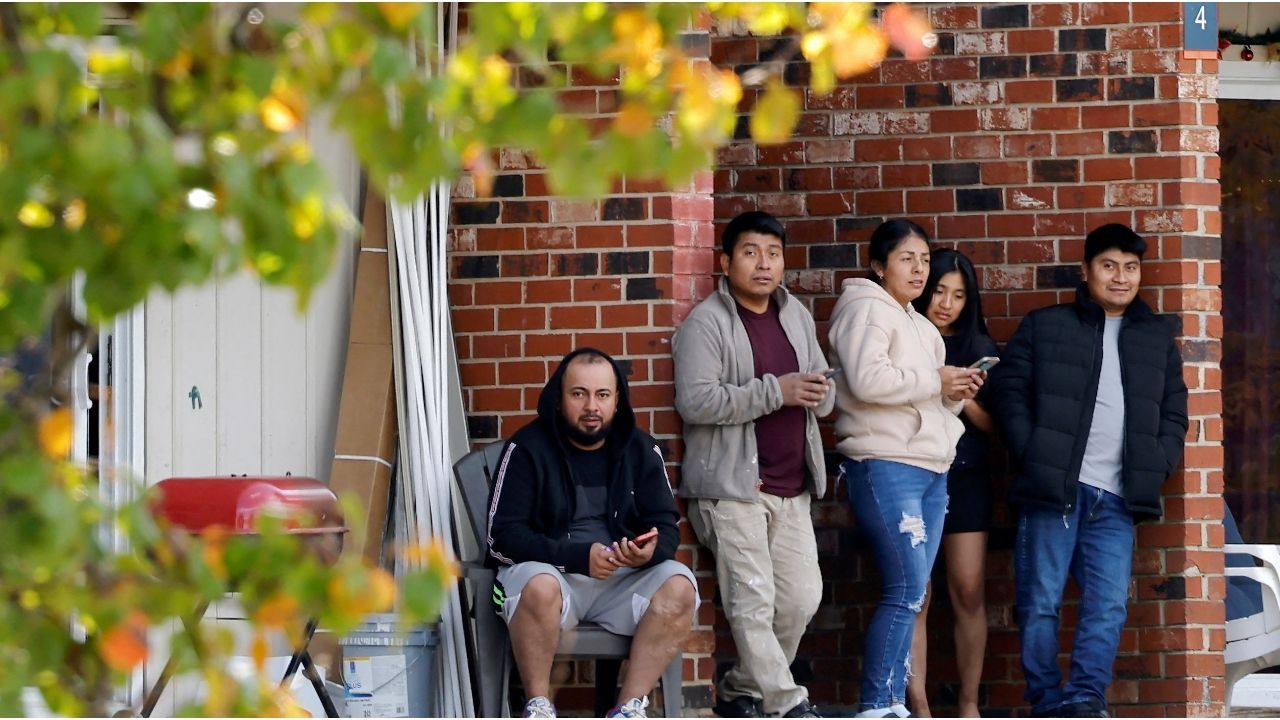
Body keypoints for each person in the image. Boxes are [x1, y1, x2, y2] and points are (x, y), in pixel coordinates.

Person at [989, 223, 1188, 718]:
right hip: (1054, 489)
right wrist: (1032, 451)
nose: (1121, 277)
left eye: (1131, 267)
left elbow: (1174, 410)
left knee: (1107, 606)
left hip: (1118, 496)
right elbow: (1008, 392)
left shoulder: (1156, 337)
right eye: (1109, 266)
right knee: (1040, 602)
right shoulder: (1045, 325)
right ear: (1086, 270)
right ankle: (1046, 701)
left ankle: (1085, 699)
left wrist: (1158, 461)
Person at [673, 210, 834, 719]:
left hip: (792, 486)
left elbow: (819, 394)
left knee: (801, 600)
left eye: (773, 253)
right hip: (732, 486)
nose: (763, 264)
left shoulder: (796, 315)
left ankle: (743, 686)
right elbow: (696, 402)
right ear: (726, 261)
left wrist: (819, 392)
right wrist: (776, 392)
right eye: (750, 252)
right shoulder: (707, 322)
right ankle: (788, 704)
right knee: (753, 601)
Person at [486, 348, 698, 719]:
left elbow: (667, 527)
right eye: (578, 393)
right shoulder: (527, 448)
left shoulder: (641, 449)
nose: (591, 406)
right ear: (559, 397)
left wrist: (649, 552)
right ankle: (538, 706)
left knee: (680, 586)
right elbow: (501, 538)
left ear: (618, 400)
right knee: (538, 584)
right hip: (553, 579)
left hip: (621, 582)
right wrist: (577, 557)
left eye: (602, 395)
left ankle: (629, 708)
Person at [827, 219, 982, 719]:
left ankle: (892, 701)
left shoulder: (919, 325)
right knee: (906, 588)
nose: (918, 269)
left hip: (933, 468)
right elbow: (870, 380)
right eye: (905, 259)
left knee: (914, 592)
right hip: (885, 463)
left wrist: (953, 393)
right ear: (878, 265)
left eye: (922, 259)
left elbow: (927, 399)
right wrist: (935, 379)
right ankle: (878, 703)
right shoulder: (865, 309)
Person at [904, 249, 999, 718]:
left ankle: (967, 704)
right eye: (940, 290)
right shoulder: (906, 338)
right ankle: (917, 704)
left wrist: (964, 398)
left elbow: (995, 427)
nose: (946, 303)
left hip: (965, 478)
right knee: (916, 592)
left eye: (959, 295)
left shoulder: (979, 345)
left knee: (967, 588)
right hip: (912, 473)